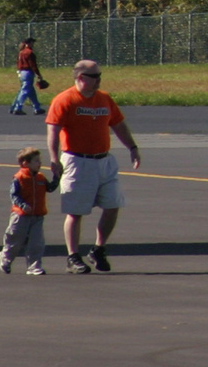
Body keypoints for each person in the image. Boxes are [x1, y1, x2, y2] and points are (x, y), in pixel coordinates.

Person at [45, 60, 140, 274]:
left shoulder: (104, 99)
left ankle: (98, 249)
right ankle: (73, 256)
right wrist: (53, 158)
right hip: (77, 161)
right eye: (94, 76)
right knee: (75, 211)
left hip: (104, 161)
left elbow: (118, 124)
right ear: (80, 78)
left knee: (113, 205)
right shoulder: (64, 100)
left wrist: (132, 147)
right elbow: (53, 131)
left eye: (100, 76)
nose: (99, 80)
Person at [0, 146, 54, 276]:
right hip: (21, 215)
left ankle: (34, 266)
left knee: (36, 242)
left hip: (37, 215)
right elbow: (14, 195)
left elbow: (50, 188)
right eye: (36, 161)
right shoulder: (19, 177)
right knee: (15, 239)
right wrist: (22, 205)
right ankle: (6, 259)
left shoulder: (40, 177)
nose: (39, 163)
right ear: (25, 163)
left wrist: (57, 177)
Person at [10, 38, 47, 116]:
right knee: (24, 91)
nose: (33, 44)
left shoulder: (21, 52)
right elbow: (33, 65)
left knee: (31, 92)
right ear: (28, 43)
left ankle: (37, 108)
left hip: (21, 72)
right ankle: (17, 108)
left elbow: (18, 63)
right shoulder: (29, 52)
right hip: (28, 72)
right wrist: (38, 75)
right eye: (32, 43)